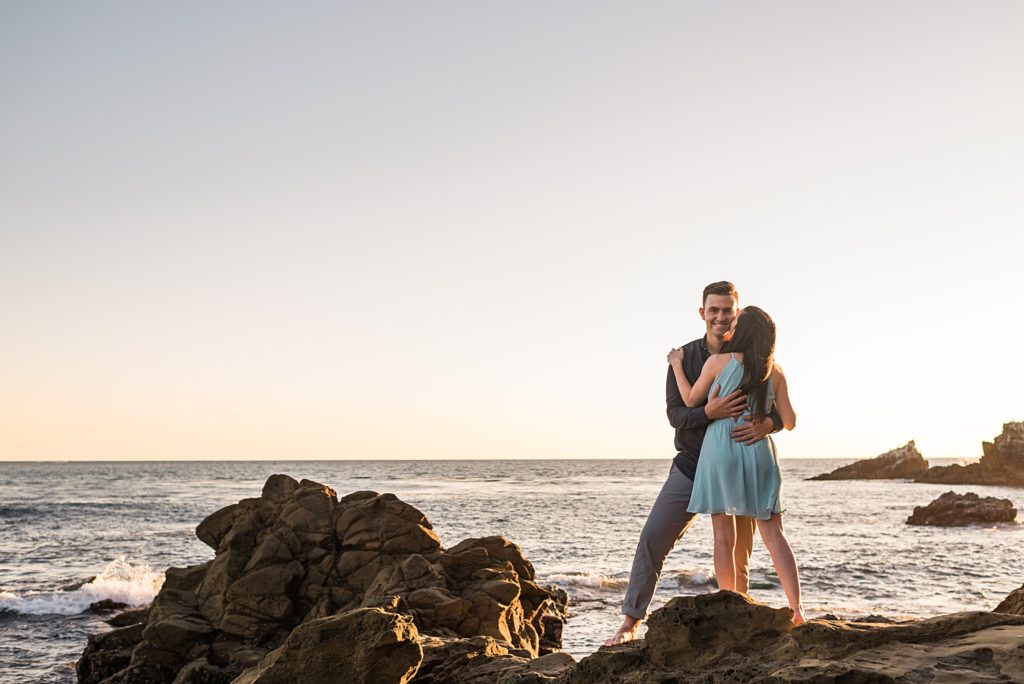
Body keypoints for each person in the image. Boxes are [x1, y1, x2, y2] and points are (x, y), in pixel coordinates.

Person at [604, 281, 783, 646]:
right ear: (702, 313)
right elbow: (676, 414)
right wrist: (708, 412)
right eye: (713, 310)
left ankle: (738, 619)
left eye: (727, 310)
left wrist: (768, 424)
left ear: (737, 312)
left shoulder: (754, 352)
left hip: (738, 465)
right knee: (653, 539)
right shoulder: (683, 358)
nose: (720, 317)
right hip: (692, 463)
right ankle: (630, 621)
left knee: (740, 553)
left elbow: (778, 410)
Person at [669, 305, 803, 623]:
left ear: (741, 331)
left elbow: (690, 400)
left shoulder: (718, 362)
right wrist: (766, 424)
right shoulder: (776, 371)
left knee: (722, 535)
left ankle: (730, 602)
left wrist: (677, 365)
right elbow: (791, 421)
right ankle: (798, 609)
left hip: (721, 451)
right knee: (774, 535)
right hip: (758, 451)